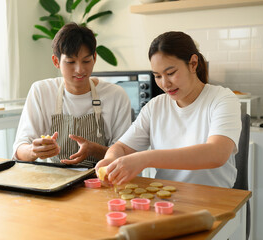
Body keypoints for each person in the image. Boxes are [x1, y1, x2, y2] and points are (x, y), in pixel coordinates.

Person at [95, 31, 241, 188]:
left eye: (170, 73)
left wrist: (146, 158)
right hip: (166, 200)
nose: (165, 84)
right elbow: (121, 147)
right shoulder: (155, 106)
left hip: (214, 200)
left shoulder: (222, 99)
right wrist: (111, 159)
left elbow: (217, 153)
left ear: (193, 63)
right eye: (157, 76)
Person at [13, 23, 132, 168]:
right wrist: (34, 150)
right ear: (56, 61)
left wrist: (94, 150)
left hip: (101, 179)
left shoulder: (116, 95)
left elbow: (125, 155)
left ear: (94, 58)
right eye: (70, 62)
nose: (80, 69)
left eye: (86, 61)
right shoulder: (41, 91)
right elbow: (19, 150)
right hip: (54, 181)